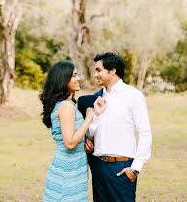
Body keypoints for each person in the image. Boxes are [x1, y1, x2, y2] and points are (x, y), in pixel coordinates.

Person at [77, 52, 152, 202]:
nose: (95, 74)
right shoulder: (97, 97)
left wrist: (135, 169)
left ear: (112, 71)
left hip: (121, 168)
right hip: (98, 168)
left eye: (98, 70)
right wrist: (89, 138)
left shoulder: (133, 95)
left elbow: (145, 132)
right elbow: (93, 132)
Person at [40, 60, 105, 202]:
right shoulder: (65, 107)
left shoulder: (67, 105)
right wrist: (88, 118)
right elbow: (69, 143)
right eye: (74, 75)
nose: (79, 78)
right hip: (67, 171)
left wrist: (84, 140)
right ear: (63, 79)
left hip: (74, 168)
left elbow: (71, 136)